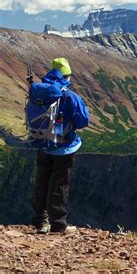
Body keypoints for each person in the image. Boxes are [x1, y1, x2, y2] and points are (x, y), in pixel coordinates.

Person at [32, 58, 90, 234]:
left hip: (42, 143)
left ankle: (41, 222)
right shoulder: (70, 96)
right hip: (64, 147)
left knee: (42, 181)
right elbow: (82, 121)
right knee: (60, 184)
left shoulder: (39, 92)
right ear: (67, 76)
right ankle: (58, 224)